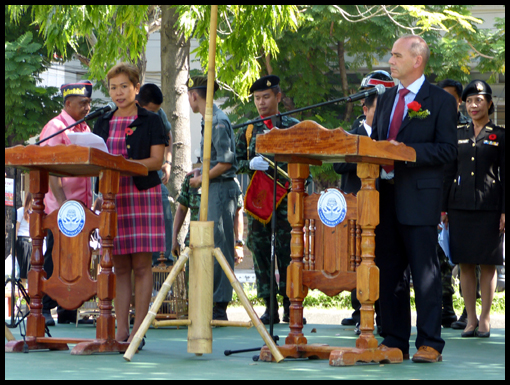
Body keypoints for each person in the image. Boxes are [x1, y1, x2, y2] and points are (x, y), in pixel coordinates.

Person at [371, 35, 458, 363]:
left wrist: (406, 153)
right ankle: (394, 340)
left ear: (417, 60)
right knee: (390, 272)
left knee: (425, 273)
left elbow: (448, 150)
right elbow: (379, 143)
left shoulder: (440, 101)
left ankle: (430, 343)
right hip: (385, 195)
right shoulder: (387, 97)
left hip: (420, 199)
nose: (390, 61)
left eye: (396, 55)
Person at [93, 63, 168, 346]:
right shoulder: (103, 121)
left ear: (136, 88)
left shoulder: (151, 120)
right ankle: (120, 330)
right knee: (119, 267)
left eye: (124, 86)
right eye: (113, 87)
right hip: (112, 198)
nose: (119, 92)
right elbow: (97, 160)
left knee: (141, 265)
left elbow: (157, 162)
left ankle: (139, 330)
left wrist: (125, 166)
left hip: (141, 196)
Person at [442, 80, 505, 339]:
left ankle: (485, 318)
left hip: (491, 206)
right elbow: (448, 172)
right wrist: (443, 208)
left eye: (479, 100)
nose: (473, 105)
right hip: (460, 206)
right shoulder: (456, 132)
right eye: (469, 101)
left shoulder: (500, 135)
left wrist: (504, 210)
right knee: (465, 263)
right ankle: (470, 318)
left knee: (488, 264)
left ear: (489, 103)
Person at [235, 75, 299, 324]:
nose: (261, 103)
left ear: (278, 97)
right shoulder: (249, 130)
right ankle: (269, 304)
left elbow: (306, 163)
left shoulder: (293, 126)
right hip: (259, 199)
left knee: (288, 253)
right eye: (257, 98)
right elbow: (234, 163)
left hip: (286, 201)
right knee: (259, 250)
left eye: (266, 97)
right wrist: (249, 164)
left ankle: (290, 304)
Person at [39, 80, 95, 326]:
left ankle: (68, 310)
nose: (87, 107)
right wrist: (62, 206)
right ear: (68, 103)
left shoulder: (84, 129)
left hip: (81, 210)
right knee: (56, 256)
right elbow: (51, 170)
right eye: (83, 103)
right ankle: (43, 307)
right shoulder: (56, 127)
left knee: (77, 258)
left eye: (89, 103)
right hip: (60, 209)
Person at [186, 76, 239, 321]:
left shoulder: (217, 121)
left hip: (220, 189)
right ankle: (211, 302)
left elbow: (226, 162)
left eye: (189, 95)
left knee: (219, 246)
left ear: (194, 95)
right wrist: (198, 173)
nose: (189, 100)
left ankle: (220, 305)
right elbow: (215, 160)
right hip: (213, 187)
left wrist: (201, 179)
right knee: (208, 244)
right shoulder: (208, 120)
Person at [334, 92, 383, 335]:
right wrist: (366, 154)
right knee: (357, 260)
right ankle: (359, 313)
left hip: (383, 206)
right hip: (355, 207)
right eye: (378, 110)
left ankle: (383, 315)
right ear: (365, 109)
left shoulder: (388, 135)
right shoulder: (353, 134)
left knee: (382, 261)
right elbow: (338, 164)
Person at [436, 79, 472, 329]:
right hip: (436, 197)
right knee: (439, 257)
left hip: (462, 200)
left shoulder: (469, 127)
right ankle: (445, 307)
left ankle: (468, 311)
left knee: (466, 258)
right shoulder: (433, 123)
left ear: (459, 100)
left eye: (451, 97)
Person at [136, 84, 174, 265]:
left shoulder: (159, 114)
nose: (154, 114)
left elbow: (168, 135)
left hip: (154, 175)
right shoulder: (124, 113)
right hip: (132, 178)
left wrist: (167, 162)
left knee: (165, 212)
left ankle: (164, 263)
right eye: (151, 110)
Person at [15, 192, 33, 288]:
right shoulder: (20, 211)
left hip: (30, 241)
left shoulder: (34, 212)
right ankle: (23, 292)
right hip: (23, 241)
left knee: (28, 269)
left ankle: (26, 291)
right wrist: (13, 246)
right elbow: (16, 229)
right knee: (24, 270)